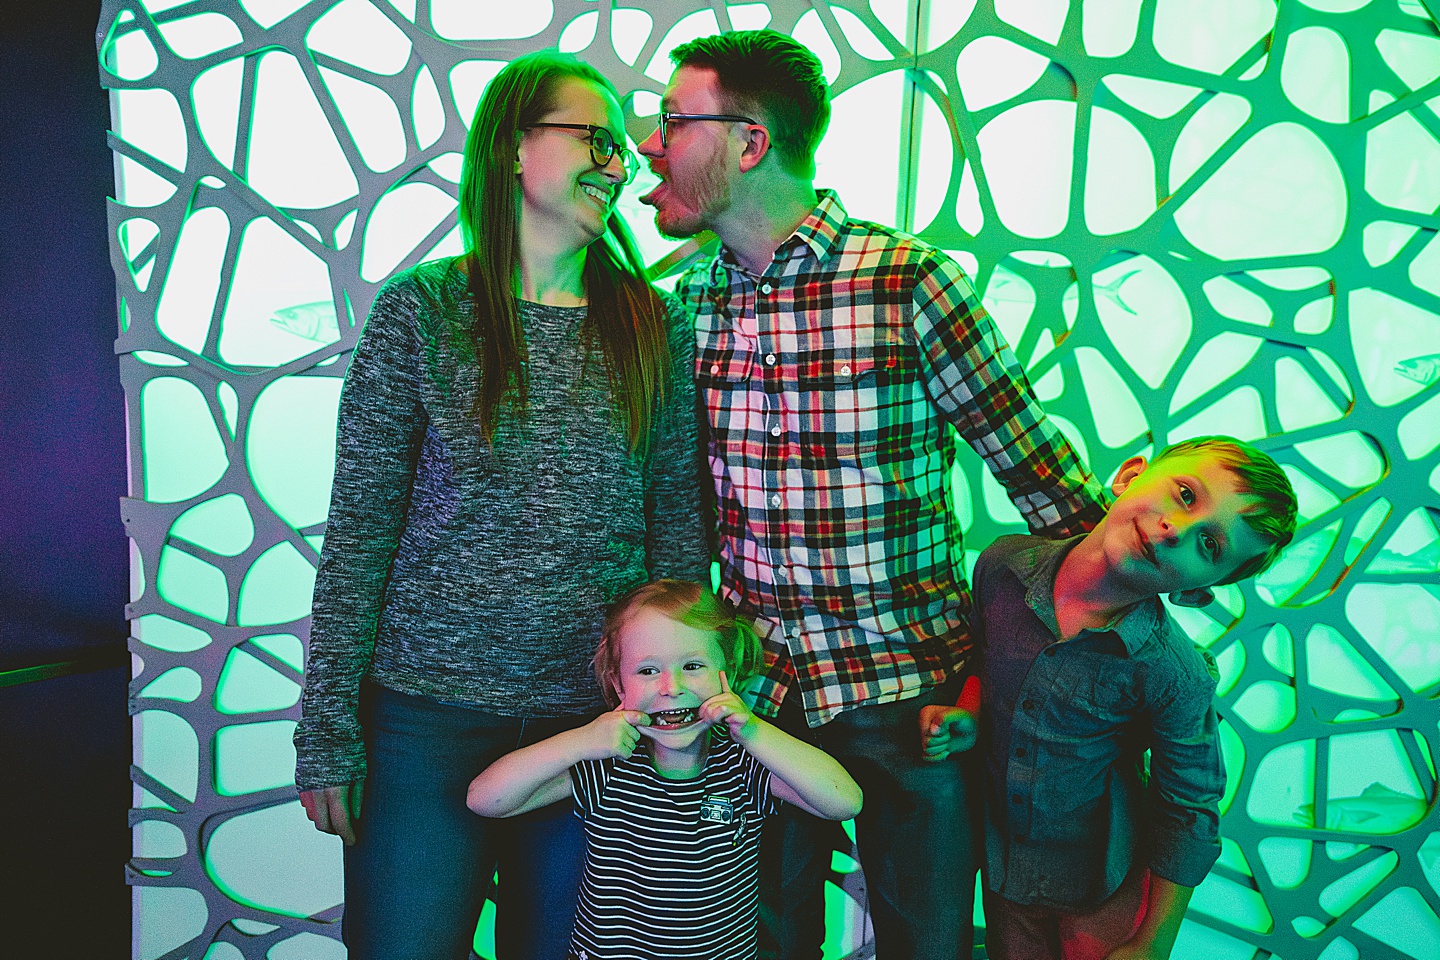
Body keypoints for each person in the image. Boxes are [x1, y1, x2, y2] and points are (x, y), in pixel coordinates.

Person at [635, 28, 1109, 960]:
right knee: (753, 943)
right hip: (759, 692)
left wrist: (1132, 601)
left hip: (911, 693)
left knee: (926, 943)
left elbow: (1033, 465)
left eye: (672, 121)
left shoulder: (908, 279)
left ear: (749, 140)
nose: (652, 144)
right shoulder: (688, 304)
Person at [292, 51, 708, 960]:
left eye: (620, 149)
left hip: (592, 725)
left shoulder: (654, 326)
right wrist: (326, 726)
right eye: (595, 139)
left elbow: (678, 533)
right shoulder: (423, 312)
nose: (619, 162)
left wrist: (676, 712)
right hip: (421, 724)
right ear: (515, 148)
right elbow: (360, 533)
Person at [921, 436, 1297, 960]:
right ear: (1129, 475)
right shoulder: (1002, 567)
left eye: (1209, 546)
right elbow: (989, 655)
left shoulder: (1175, 673)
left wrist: (1152, 943)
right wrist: (970, 711)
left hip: (1104, 885)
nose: (1178, 530)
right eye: (1186, 494)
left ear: (1196, 591)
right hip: (1005, 871)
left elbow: (1189, 809)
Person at [467, 579, 863, 960]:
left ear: (729, 672)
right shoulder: (608, 765)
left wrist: (754, 731)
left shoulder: (744, 764)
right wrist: (580, 740)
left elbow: (843, 801)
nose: (671, 687)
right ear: (619, 687)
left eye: (693, 666)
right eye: (648, 671)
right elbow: (486, 800)